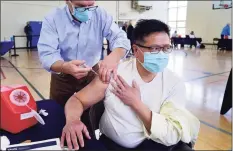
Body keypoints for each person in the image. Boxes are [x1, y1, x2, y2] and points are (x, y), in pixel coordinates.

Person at [62, 19, 200, 150]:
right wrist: (73, 120)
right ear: (135, 50)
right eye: (155, 48)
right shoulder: (115, 74)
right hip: (113, 146)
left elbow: (171, 134)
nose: (161, 54)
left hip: (157, 145)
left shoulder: (174, 83)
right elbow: (78, 100)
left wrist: (135, 102)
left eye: (166, 48)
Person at [37, 1, 130, 107]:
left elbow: (120, 37)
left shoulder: (100, 14)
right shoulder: (53, 18)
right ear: (68, 1)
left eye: (90, 6)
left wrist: (114, 56)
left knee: (93, 113)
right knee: (59, 111)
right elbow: (47, 53)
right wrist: (64, 66)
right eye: (80, 6)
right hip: (62, 75)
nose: (86, 10)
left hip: (92, 73)